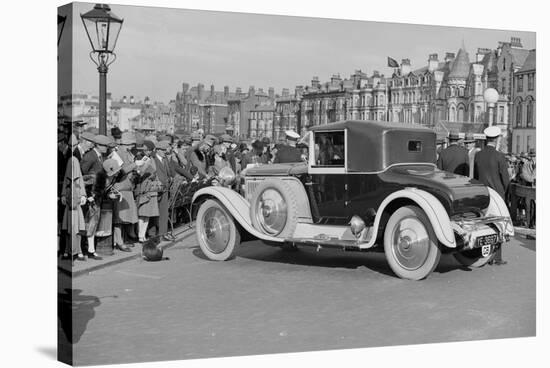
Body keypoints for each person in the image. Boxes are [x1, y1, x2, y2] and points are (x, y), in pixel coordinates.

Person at [474, 126, 510, 266]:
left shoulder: (478, 155)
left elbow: (476, 176)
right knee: (498, 225)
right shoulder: (499, 156)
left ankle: (483, 255)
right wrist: (505, 192)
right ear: (496, 140)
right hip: (497, 195)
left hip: (483, 193)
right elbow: (505, 180)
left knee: (484, 224)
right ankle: (497, 257)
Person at [61, 134, 95, 263]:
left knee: (78, 227)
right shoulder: (72, 158)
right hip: (70, 199)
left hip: (75, 199)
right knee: (69, 227)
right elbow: (66, 180)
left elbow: (79, 179)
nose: (72, 148)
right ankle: (67, 250)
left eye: (74, 145)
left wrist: (83, 195)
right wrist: (64, 194)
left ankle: (78, 250)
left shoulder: (73, 158)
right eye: (71, 146)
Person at [134, 140, 161, 242]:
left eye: (149, 150)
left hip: (151, 188)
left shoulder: (152, 159)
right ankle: (140, 235)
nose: (147, 152)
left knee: (148, 214)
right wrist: (145, 165)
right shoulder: (140, 158)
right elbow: (139, 172)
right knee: (143, 213)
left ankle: (143, 235)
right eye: (145, 150)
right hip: (144, 188)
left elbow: (154, 172)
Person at [152, 140, 175, 240]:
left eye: (165, 150)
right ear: (157, 150)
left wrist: (170, 178)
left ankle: (163, 233)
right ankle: (152, 234)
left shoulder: (165, 159)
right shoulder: (153, 159)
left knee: (164, 212)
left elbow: (169, 172)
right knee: (153, 212)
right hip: (155, 189)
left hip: (165, 188)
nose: (165, 152)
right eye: (163, 150)